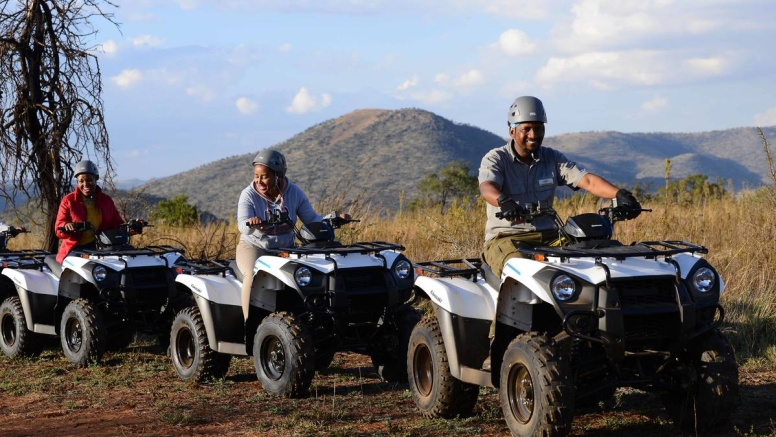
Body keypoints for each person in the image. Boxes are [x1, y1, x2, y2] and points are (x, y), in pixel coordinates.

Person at [478, 96, 641, 369]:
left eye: (538, 128)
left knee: (597, 257)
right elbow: (488, 187)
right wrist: (503, 201)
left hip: (550, 235)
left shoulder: (551, 158)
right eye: (526, 129)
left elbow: (586, 179)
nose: (533, 135)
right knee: (515, 271)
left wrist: (620, 195)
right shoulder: (496, 159)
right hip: (507, 238)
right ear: (512, 131)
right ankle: (497, 343)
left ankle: (598, 331)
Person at [236, 149, 346, 320]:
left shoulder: (294, 192)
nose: (258, 181)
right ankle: (248, 325)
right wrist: (251, 222)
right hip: (255, 247)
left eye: (264, 176)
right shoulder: (248, 194)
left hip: (286, 249)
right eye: (256, 176)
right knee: (251, 275)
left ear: (278, 175)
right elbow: (243, 225)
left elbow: (312, 219)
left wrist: (333, 218)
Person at [54, 160, 128, 264]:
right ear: (77, 182)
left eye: (89, 180)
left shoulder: (106, 201)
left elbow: (118, 225)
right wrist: (66, 226)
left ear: (95, 179)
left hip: (100, 248)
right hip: (75, 249)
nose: (85, 184)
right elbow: (58, 228)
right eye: (81, 181)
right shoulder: (69, 201)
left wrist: (133, 227)